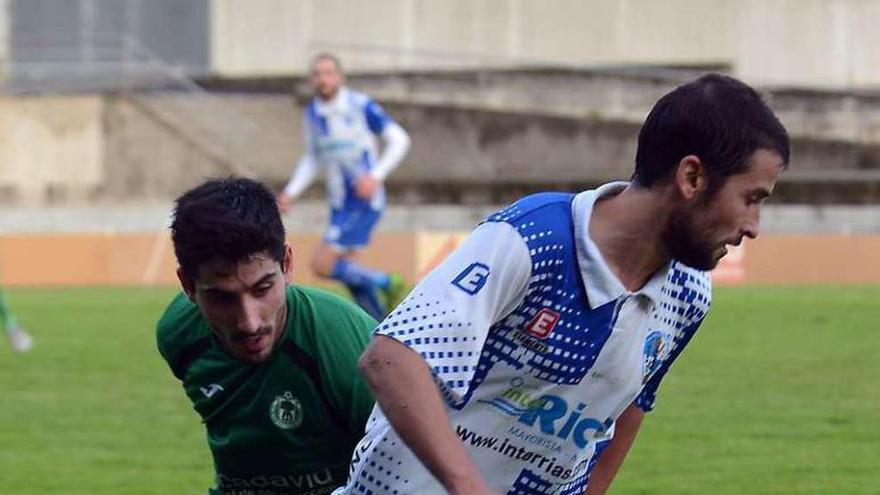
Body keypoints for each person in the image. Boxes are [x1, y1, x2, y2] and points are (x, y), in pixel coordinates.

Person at [335, 74, 791, 495]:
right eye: (750, 199)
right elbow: (391, 359)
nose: (753, 226)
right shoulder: (535, 238)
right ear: (692, 177)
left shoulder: (688, 295)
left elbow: (629, 409)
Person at [156, 177, 376, 495]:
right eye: (222, 298)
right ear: (188, 286)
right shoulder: (179, 337)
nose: (249, 322)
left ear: (286, 265)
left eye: (262, 288)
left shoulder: (348, 345)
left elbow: (409, 464)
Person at [277, 53, 411, 321]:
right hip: (339, 202)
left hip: (363, 199)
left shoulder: (360, 106)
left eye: (328, 73)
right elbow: (313, 157)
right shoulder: (313, 113)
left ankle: (387, 282)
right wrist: (291, 192)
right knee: (352, 274)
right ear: (312, 80)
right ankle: (378, 323)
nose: (323, 79)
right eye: (317, 74)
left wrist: (376, 175)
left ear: (340, 77)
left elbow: (400, 139)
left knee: (322, 264)